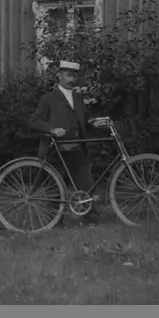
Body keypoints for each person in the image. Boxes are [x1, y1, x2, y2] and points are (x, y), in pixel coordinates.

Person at [29, 60, 98, 222]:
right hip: (56, 149)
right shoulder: (49, 98)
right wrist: (52, 129)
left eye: (74, 76)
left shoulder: (78, 98)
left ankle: (92, 218)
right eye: (68, 75)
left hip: (77, 148)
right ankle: (54, 220)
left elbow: (85, 120)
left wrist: (96, 122)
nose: (71, 79)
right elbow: (34, 122)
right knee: (55, 187)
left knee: (87, 184)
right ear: (59, 76)